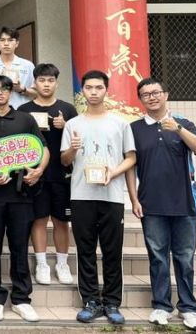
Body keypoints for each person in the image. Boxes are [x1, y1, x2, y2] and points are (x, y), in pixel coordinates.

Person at [131, 78, 196, 332]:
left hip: (186, 204)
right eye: (146, 94)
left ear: (166, 94)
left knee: (185, 258)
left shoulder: (183, 123)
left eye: (156, 92)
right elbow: (130, 164)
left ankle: (189, 308)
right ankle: (161, 306)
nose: (152, 97)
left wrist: (179, 129)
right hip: (151, 204)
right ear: (140, 99)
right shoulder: (134, 128)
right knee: (158, 258)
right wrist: (133, 199)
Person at [61, 70, 137, 325]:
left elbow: (131, 157)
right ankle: (91, 301)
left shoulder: (120, 123)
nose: (93, 92)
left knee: (112, 251)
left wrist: (113, 172)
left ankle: (112, 302)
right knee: (85, 250)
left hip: (112, 196)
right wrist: (72, 150)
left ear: (106, 90)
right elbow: (65, 161)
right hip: (81, 195)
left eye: (98, 87)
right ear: (82, 90)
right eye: (89, 88)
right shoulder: (73, 124)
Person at [0, 74, 48, 323]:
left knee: (19, 246)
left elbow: (42, 148)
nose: (0, 93)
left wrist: (38, 170)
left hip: (20, 193)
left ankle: (21, 299)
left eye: (4, 88)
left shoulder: (25, 119)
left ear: (10, 92)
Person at [18, 63, 78, 286]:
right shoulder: (23, 110)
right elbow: (19, 142)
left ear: (56, 83)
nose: (46, 84)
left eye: (50, 80)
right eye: (42, 80)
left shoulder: (68, 109)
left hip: (62, 174)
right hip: (34, 173)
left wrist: (66, 126)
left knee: (62, 221)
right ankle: (41, 263)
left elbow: (77, 140)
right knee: (39, 219)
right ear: (34, 83)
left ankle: (62, 263)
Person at [0, 27, 36, 109]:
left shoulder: (28, 65)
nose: (6, 44)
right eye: (2, 40)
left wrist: (21, 89)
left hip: (22, 111)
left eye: (10, 40)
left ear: (17, 43)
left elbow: (37, 93)